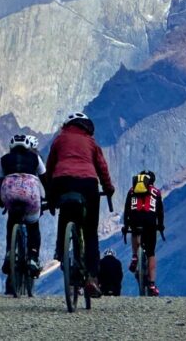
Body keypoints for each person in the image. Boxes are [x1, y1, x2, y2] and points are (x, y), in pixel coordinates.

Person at [46, 112, 115, 298]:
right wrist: (108, 188)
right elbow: (102, 167)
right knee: (90, 232)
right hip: (88, 184)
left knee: (65, 214)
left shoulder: (59, 140)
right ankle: (92, 277)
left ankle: (60, 251)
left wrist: (50, 196)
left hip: (62, 182)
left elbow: (50, 167)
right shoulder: (91, 143)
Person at [0, 134, 47, 284]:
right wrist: (50, 197)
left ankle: (10, 252)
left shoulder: (3, 160)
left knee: (11, 220)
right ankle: (33, 257)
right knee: (33, 225)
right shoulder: (35, 158)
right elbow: (44, 178)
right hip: (30, 194)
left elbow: (1, 183)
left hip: (9, 193)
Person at [123, 170, 164, 296]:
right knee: (151, 253)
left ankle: (135, 256)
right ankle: (151, 285)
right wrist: (160, 226)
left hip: (135, 219)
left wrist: (126, 226)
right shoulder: (156, 192)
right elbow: (160, 212)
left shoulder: (131, 190)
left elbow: (126, 210)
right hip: (150, 222)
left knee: (135, 232)